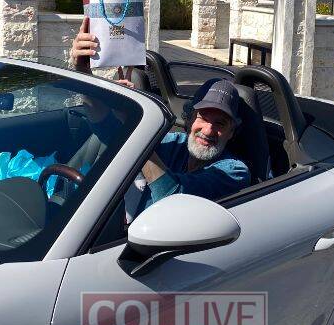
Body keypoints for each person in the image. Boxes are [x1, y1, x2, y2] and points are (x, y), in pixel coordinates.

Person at [69, 17, 250, 212]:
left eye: (220, 123)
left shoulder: (234, 171)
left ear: (232, 132)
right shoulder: (176, 144)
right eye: (203, 117)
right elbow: (109, 131)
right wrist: (83, 72)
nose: (208, 130)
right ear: (190, 119)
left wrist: (133, 129)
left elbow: (172, 198)